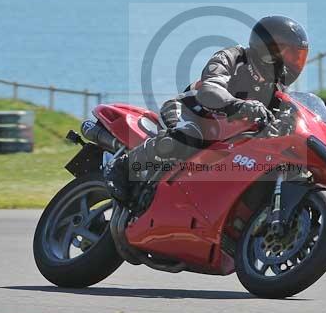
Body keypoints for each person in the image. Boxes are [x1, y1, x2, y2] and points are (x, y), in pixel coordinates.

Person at [106, 15, 309, 204]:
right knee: (186, 136)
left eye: (297, 57)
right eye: (288, 53)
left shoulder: (277, 89)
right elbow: (210, 89)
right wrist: (238, 104)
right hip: (190, 110)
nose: (291, 63)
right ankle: (123, 166)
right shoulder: (234, 57)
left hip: (225, 134)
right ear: (267, 48)